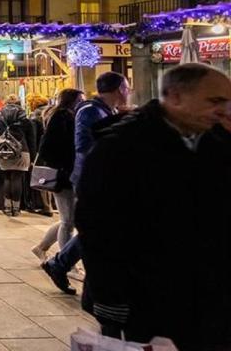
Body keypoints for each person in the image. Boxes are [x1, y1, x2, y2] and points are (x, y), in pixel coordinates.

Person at [76, 64, 231, 350]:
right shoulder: (121, 147)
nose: (224, 109)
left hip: (213, 295)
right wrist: (110, 299)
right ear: (175, 97)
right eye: (215, 101)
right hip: (151, 300)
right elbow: (98, 229)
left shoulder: (216, 141)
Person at [40, 72, 129, 295]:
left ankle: (60, 264)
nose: (129, 91)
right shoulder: (90, 111)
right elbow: (84, 146)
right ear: (120, 88)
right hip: (92, 179)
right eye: (127, 87)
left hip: (99, 177)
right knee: (91, 226)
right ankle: (61, 264)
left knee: (96, 227)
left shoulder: (105, 111)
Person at [31, 88, 84, 261]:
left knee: (68, 219)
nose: (83, 103)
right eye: (80, 100)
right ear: (71, 101)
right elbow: (49, 148)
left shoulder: (65, 117)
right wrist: (65, 165)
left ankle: (41, 247)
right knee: (68, 221)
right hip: (63, 175)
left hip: (69, 174)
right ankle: (65, 263)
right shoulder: (62, 118)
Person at [0, 95, 36, 217]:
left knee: (7, 177)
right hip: (22, 150)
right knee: (17, 178)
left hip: (4, 150)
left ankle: (7, 207)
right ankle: (16, 208)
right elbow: (31, 138)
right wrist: (33, 155)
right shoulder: (24, 117)